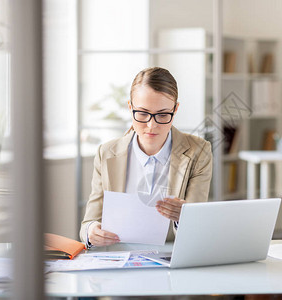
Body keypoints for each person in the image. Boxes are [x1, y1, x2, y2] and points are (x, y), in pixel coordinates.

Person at [79, 67, 213, 247]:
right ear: (130, 107)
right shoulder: (107, 153)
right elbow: (88, 223)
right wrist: (92, 231)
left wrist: (185, 216)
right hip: (119, 255)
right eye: (142, 113)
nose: (151, 125)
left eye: (163, 114)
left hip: (171, 257)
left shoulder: (198, 151)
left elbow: (199, 230)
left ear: (175, 109)